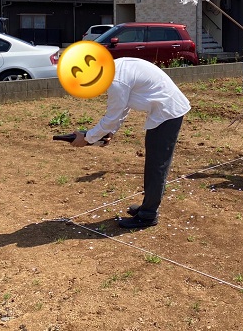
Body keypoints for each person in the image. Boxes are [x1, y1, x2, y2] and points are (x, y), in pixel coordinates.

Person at [70, 57, 191, 229]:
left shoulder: (116, 81)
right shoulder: (115, 69)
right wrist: (110, 132)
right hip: (163, 110)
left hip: (168, 112)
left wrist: (88, 138)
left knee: (157, 165)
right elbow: (123, 107)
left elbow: (112, 116)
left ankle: (148, 215)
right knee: (154, 163)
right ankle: (147, 207)